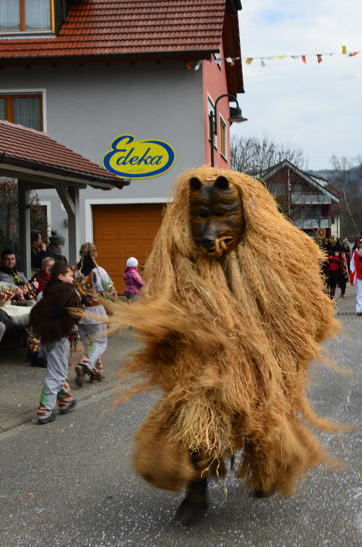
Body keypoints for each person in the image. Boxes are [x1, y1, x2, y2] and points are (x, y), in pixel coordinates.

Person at [104, 168, 341, 526]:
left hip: (261, 359)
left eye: (222, 216)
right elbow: (164, 304)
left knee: (265, 418)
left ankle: (268, 467)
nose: (210, 230)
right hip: (204, 361)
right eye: (201, 217)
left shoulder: (274, 261)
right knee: (198, 421)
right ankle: (197, 490)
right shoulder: (178, 262)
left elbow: (307, 310)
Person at [29, 262, 81, 424]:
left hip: (44, 338)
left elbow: (37, 313)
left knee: (57, 371)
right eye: (70, 275)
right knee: (56, 375)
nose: (73, 278)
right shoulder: (68, 293)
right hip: (59, 338)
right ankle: (44, 411)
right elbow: (76, 313)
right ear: (60, 277)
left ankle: (64, 401)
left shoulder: (45, 292)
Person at [73, 242, 115, 385]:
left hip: (81, 313)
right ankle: (85, 364)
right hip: (96, 312)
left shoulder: (75, 271)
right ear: (95, 254)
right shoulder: (98, 271)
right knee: (100, 343)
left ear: (80, 254)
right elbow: (108, 290)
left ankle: (95, 373)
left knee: (89, 345)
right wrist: (112, 305)